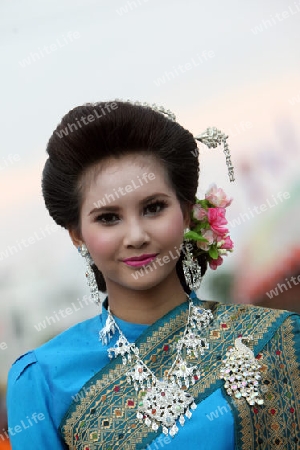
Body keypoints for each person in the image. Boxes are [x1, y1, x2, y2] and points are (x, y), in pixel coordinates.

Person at [6, 101, 300, 449]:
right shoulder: (42, 379)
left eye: (154, 208)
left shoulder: (278, 339)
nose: (136, 236)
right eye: (108, 218)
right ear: (77, 235)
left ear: (187, 213)